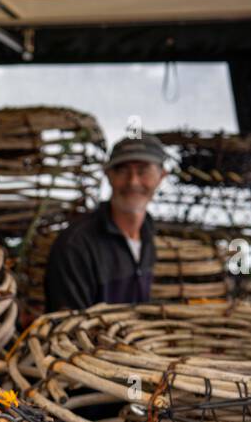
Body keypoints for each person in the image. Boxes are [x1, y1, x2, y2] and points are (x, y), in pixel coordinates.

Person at [43, 133, 168, 312]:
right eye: (122, 170)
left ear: (162, 176)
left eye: (143, 171)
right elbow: (67, 326)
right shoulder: (76, 245)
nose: (133, 181)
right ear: (108, 175)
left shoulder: (149, 236)